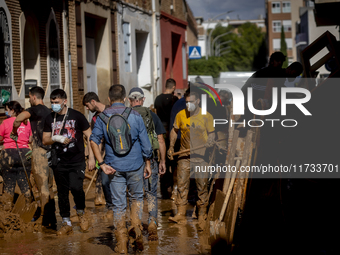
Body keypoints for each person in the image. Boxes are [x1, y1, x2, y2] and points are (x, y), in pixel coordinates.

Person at [90, 84, 152, 253]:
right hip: (136, 165)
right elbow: (146, 144)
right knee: (137, 198)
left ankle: (122, 242)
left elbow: (93, 141)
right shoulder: (136, 115)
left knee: (118, 205)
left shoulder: (102, 117)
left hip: (113, 167)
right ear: (125, 98)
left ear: (109, 99)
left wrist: (101, 163)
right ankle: (137, 232)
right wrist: (147, 163)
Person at [42, 89, 94, 236]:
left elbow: (90, 136)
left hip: (76, 160)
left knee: (76, 187)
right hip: (58, 161)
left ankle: (81, 212)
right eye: (52, 103)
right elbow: (45, 139)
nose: (54, 105)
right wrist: (56, 138)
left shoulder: (77, 116)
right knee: (62, 192)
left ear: (65, 101)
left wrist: (91, 157)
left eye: (56, 103)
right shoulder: (49, 118)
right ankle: (66, 221)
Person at [167, 89, 215, 231]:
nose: (188, 105)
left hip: (201, 156)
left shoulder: (207, 116)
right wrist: (170, 147)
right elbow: (174, 131)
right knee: (182, 185)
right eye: (186, 102)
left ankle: (201, 215)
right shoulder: (181, 115)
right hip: (184, 154)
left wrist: (210, 141)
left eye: (191, 102)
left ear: (198, 101)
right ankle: (181, 214)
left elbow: (211, 134)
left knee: (202, 186)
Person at [12, 86, 56, 227]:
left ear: (33, 97)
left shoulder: (34, 110)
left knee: (42, 186)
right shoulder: (49, 111)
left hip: (40, 152)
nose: (29, 99)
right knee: (49, 186)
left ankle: (44, 217)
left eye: (29, 97)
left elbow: (18, 118)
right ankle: (52, 215)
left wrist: (15, 128)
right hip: (52, 150)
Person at [128, 87, 166, 241]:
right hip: (151, 160)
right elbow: (161, 140)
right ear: (143, 99)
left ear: (130, 100)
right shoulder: (152, 116)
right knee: (151, 193)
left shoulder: (126, 115)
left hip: (132, 162)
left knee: (135, 195)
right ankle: (152, 222)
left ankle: (136, 224)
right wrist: (162, 160)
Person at [82, 92, 112, 212]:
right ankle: (109, 205)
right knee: (104, 179)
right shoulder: (94, 119)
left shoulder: (112, 110)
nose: (87, 109)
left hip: (116, 152)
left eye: (87, 105)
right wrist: (96, 157)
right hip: (103, 153)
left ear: (93, 102)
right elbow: (96, 140)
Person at [0, 101, 32, 209]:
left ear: (12, 110)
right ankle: (28, 208)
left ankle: (7, 211)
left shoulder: (5, 122)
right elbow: (30, 139)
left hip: (9, 154)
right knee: (25, 182)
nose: (6, 111)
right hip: (25, 153)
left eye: (7, 109)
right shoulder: (27, 122)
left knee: (9, 183)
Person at [154, 78, 178, 197]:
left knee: (161, 159)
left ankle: (163, 189)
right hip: (171, 130)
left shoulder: (158, 98)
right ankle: (172, 187)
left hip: (160, 132)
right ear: (173, 87)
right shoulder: (174, 99)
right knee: (172, 160)